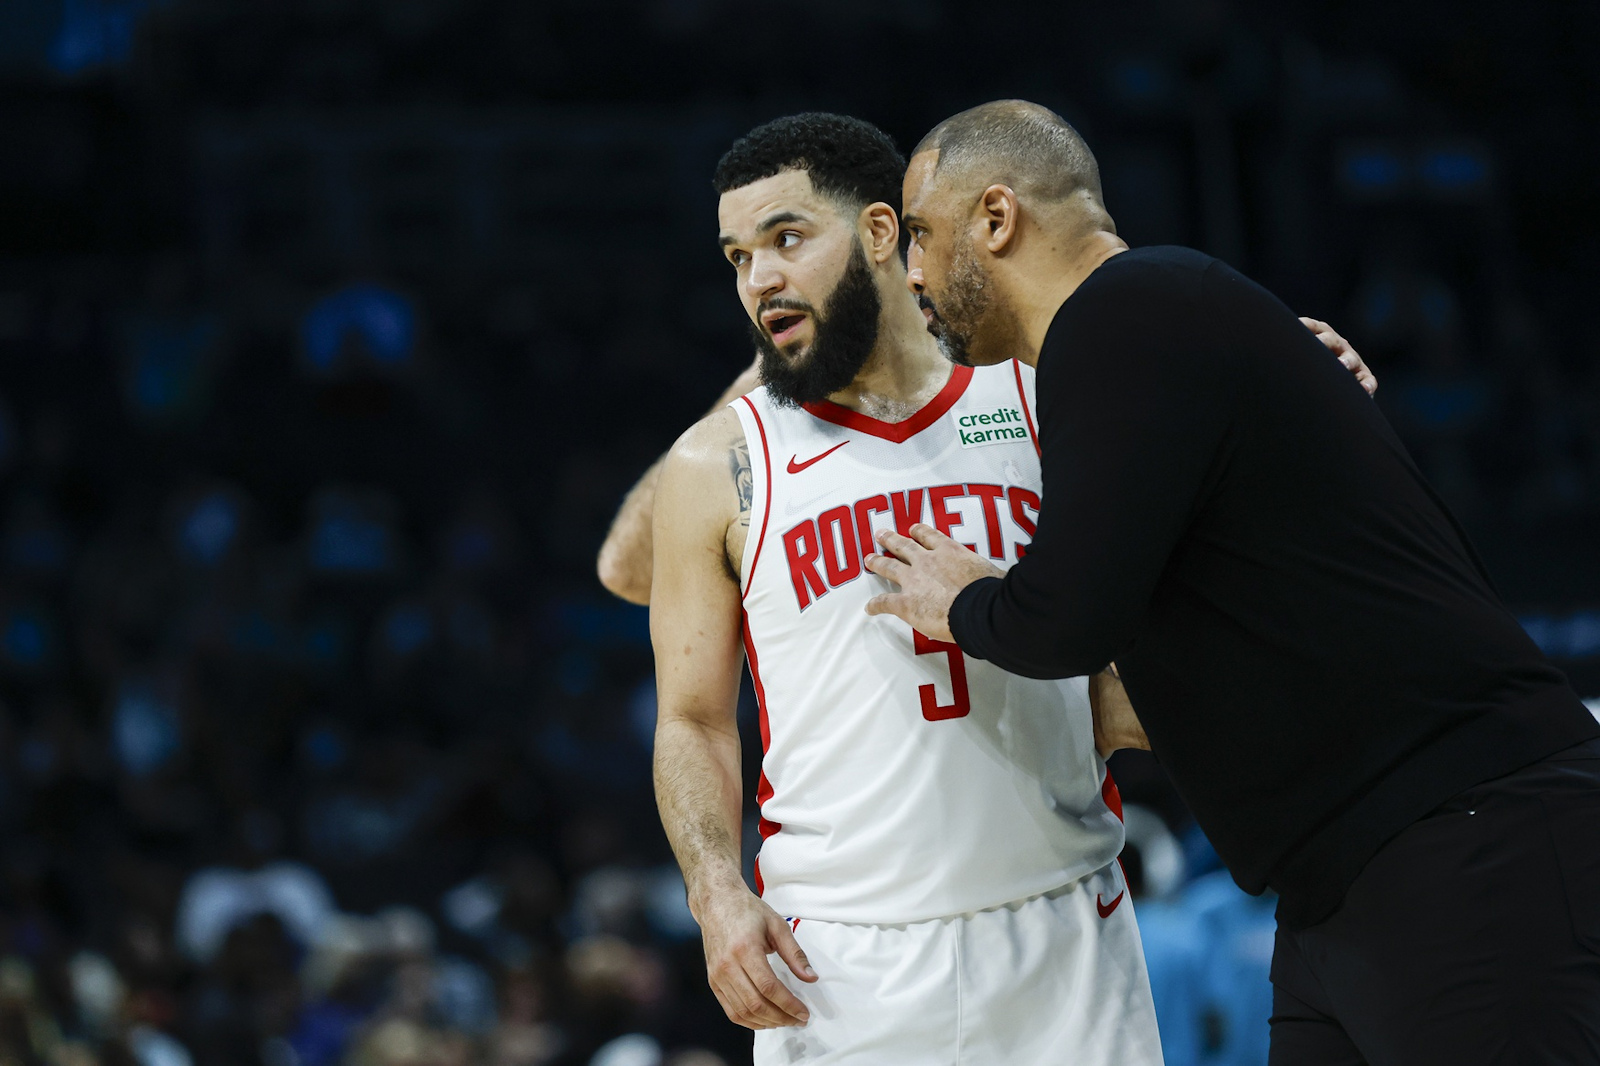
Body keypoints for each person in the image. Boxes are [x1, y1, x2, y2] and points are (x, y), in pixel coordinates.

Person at [862, 99, 1600, 1063]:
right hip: (1346, 884)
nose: (910, 271)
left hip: (1463, 841)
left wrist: (959, 600)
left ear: (996, 219)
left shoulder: (1123, 312)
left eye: (920, 233)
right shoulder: (1163, 334)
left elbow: (1063, 622)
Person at [638, 113, 1374, 1064]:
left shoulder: (1042, 394)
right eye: (738, 258)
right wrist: (716, 894)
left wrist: (1304, 404)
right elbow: (690, 719)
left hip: (1065, 928)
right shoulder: (718, 463)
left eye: (785, 239)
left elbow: (1205, 589)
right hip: (841, 965)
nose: (759, 281)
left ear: (878, 233)